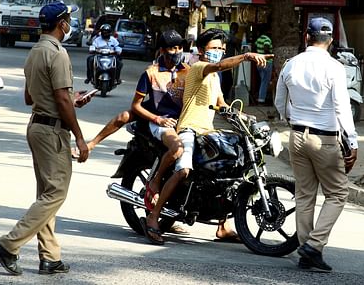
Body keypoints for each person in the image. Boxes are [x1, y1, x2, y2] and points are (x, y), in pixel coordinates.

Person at [141, 28, 271, 245]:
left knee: (228, 170)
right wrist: (246, 56)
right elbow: (219, 65)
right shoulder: (200, 68)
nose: (218, 52)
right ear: (201, 50)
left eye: (221, 48)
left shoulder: (215, 78)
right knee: (183, 170)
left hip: (207, 131)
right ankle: (153, 216)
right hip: (189, 129)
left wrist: (242, 116)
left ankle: (223, 226)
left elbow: (221, 104)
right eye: (213, 48)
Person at [0, 0, 90, 276]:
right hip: (52, 131)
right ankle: (8, 245)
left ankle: (50, 257)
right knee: (55, 193)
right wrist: (80, 137)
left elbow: (29, 97)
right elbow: (60, 98)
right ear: (62, 24)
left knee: (46, 194)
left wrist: (71, 99)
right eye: (68, 20)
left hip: (37, 126)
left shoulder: (35, 51)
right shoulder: (57, 54)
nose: (69, 24)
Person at [274, 17, 358, 272]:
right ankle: (313, 245)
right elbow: (342, 107)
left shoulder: (291, 65)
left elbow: (279, 103)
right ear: (330, 40)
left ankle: (307, 250)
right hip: (325, 138)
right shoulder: (334, 67)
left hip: (297, 136)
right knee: (338, 193)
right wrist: (352, 141)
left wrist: (294, 119)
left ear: (306, 37)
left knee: (305, 194)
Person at [86, 30, 189, 210]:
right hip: (159, 120)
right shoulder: (150, 73)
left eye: (180, 47)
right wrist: (157, 119)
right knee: (125, 117)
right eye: (173, 48)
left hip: (183, 121)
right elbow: (136, 106)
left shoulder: (188, 71)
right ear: (163, 50)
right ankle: (92, 144)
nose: (177, 51)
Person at [221, 22, 241, 102]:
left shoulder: (227, 36)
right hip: (226, 62)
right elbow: (238, 47)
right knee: (228, 81)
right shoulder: (231, 38)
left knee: (227, 80)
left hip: (226, 62)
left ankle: (224, 98)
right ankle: (224, 98)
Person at [255, 28, 273, 104]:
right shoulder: (267, 39)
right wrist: (271, 54)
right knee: (265, 81)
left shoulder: (259, 39)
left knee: (263, 81)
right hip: (267, 62)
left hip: (259, 62)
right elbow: (266, 47)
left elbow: (255, 46)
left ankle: (261, 97)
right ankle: (261, 99)